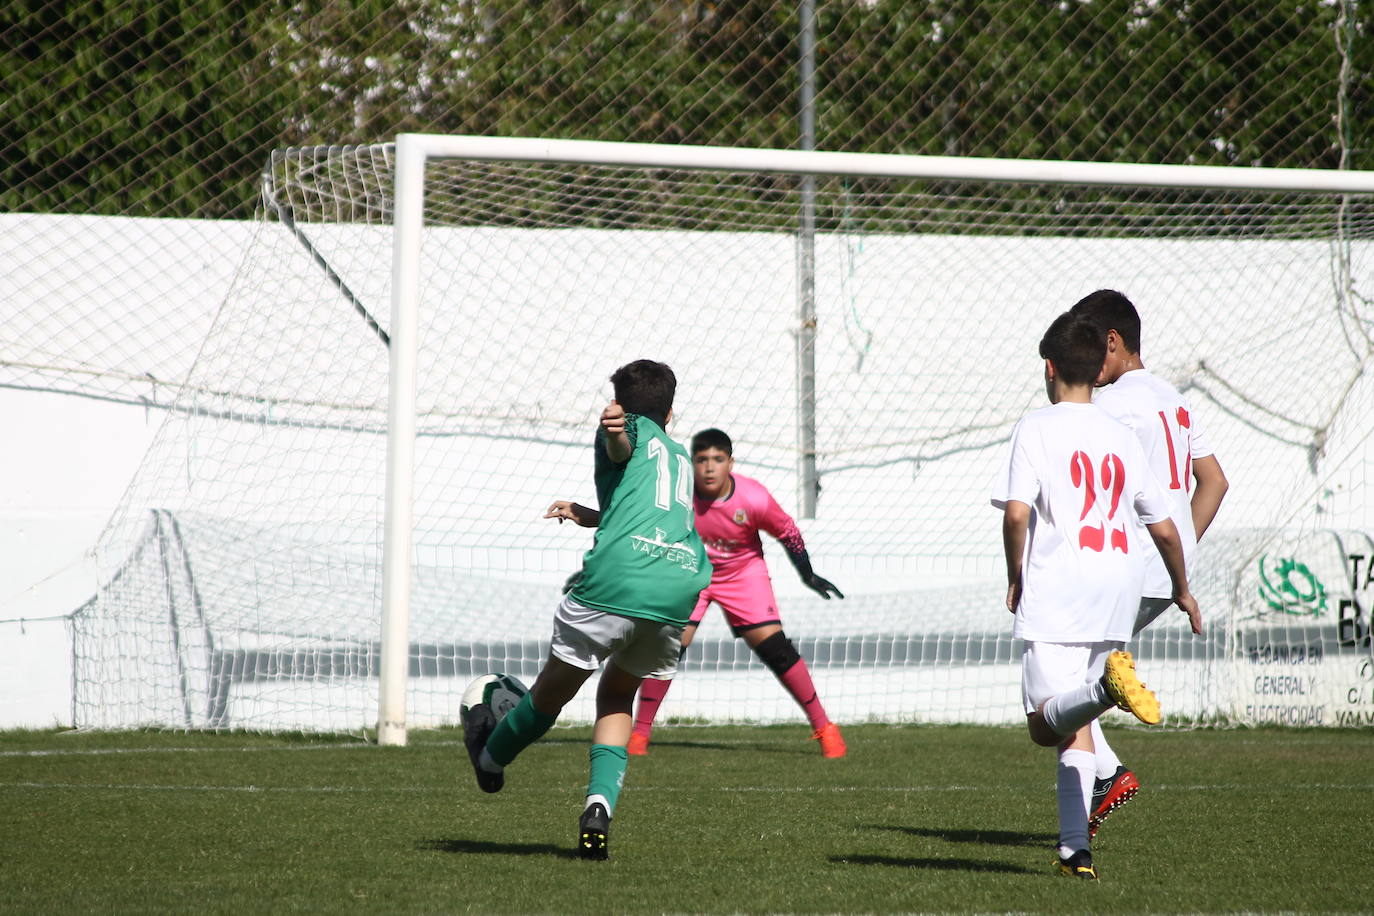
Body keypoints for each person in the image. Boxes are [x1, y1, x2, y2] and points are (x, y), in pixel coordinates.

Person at [462, 359, 711, 861]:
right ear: (673, 412)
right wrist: (589, 514)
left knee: (551, 692)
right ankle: (598, 805)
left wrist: (616, 430)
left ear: (622, 405)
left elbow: (622, 444)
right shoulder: (680, 455)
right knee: (618, 694)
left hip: (618, 578)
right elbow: (646, 510)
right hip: (678, 584)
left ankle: (491, 755)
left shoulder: (629, 428)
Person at [992, 311, 1201, 881]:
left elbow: (1016, 512)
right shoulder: (1119, 434)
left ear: (1050, 368)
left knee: (1046, 724)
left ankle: (1107, 690)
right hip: (1117, 588)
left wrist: (1016, 572)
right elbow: (1162, 526)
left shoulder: (1036, 426)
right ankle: (1075, 852)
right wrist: (1182, 588)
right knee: (1074, 728)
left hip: (1061, 585)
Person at [551, 428, 847, 759]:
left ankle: (825, 728)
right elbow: (631, 524)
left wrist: (808, 576)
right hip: (690, 572)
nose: (709, 467)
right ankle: (640, 734)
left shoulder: (754, 498)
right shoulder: (680, 495)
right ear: (691, 463)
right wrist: (586, 527)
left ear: (730, 463)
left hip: (742, 575)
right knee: (667, 646)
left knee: (776, 649)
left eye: (718, 459)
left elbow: (788, 532)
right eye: (702, 459)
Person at [1069, 289, 1226, 837]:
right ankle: (1099, 779)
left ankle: (1105, 776)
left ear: (1111, 342)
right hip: (1165, 569)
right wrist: (1182, 548)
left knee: (1060, 676)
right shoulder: (1174, 401)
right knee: (1076, 673)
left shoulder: (1110, 404)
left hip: (1127, 565)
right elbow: (1215, 482)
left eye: (1088, 345)